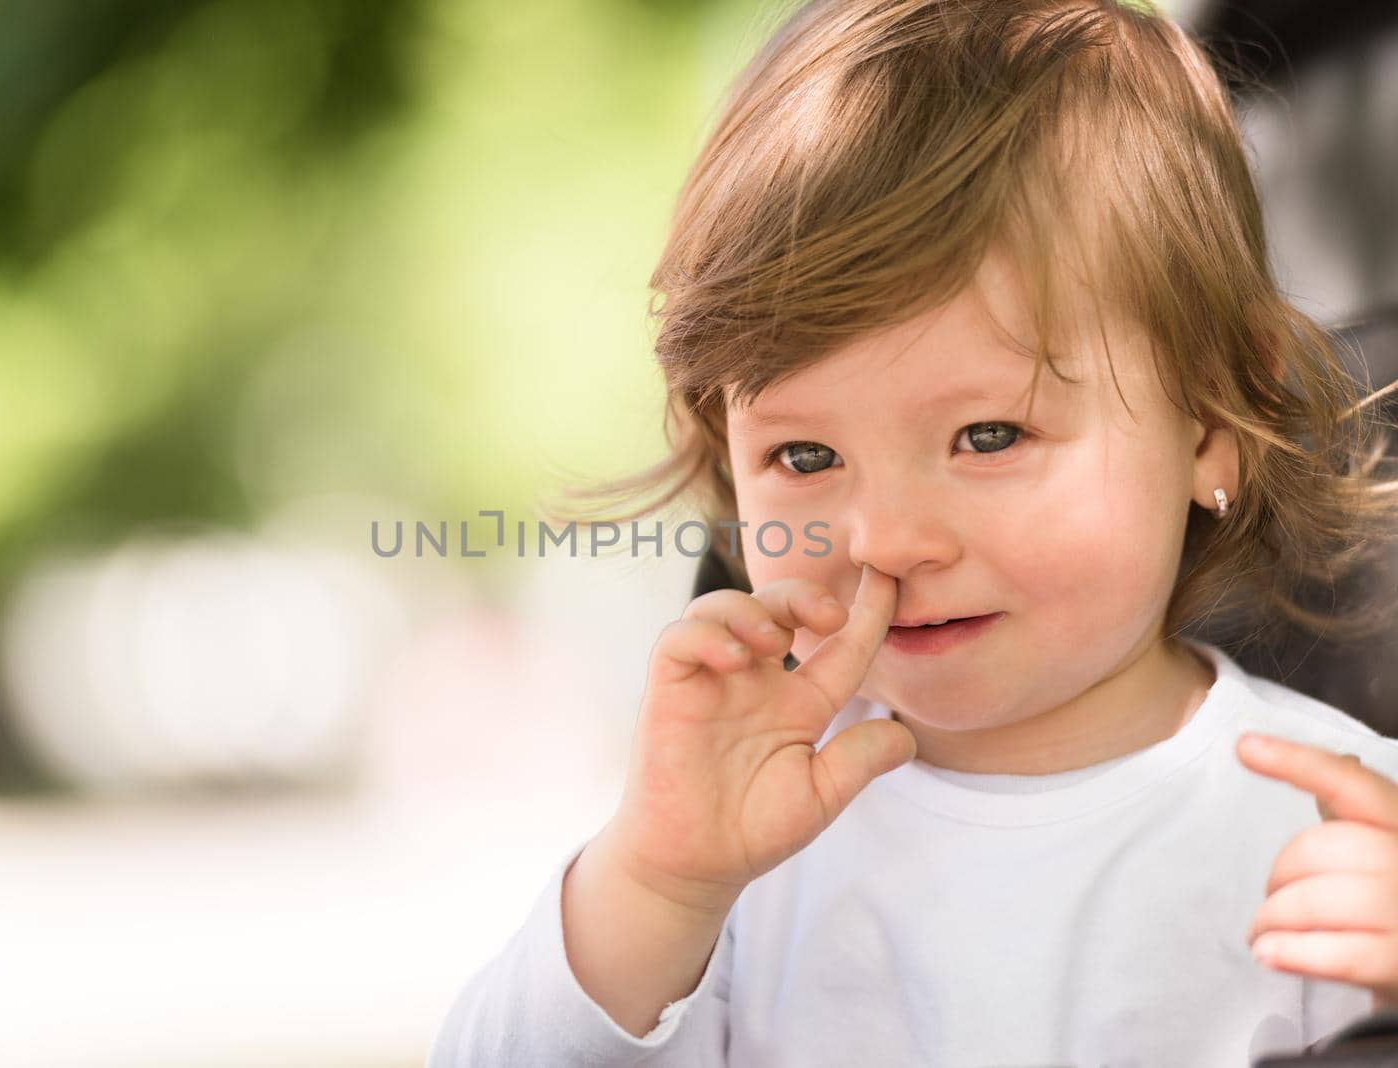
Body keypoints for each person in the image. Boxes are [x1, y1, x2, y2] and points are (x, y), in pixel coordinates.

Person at [427, 0, 1398, 1063]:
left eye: (988, 435)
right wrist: (656, 884)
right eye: (804, 458)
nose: (883, 540)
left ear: (1212, 417)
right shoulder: (746, 841)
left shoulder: (1339, 830)